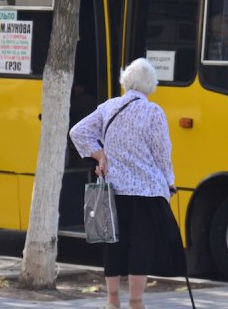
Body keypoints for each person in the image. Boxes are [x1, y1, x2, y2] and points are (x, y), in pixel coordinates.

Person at [69, 58, 186, 309]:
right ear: (150, 85)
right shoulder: (153, 112)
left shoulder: (109, 107)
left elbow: (77, 131)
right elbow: (162, 152)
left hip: (115, 189)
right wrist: (170, 182)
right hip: (147, 191)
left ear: (126, 81)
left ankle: (112, 301)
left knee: (114, 244)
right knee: (141, 244)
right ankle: (136, 302)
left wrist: (99, 154)